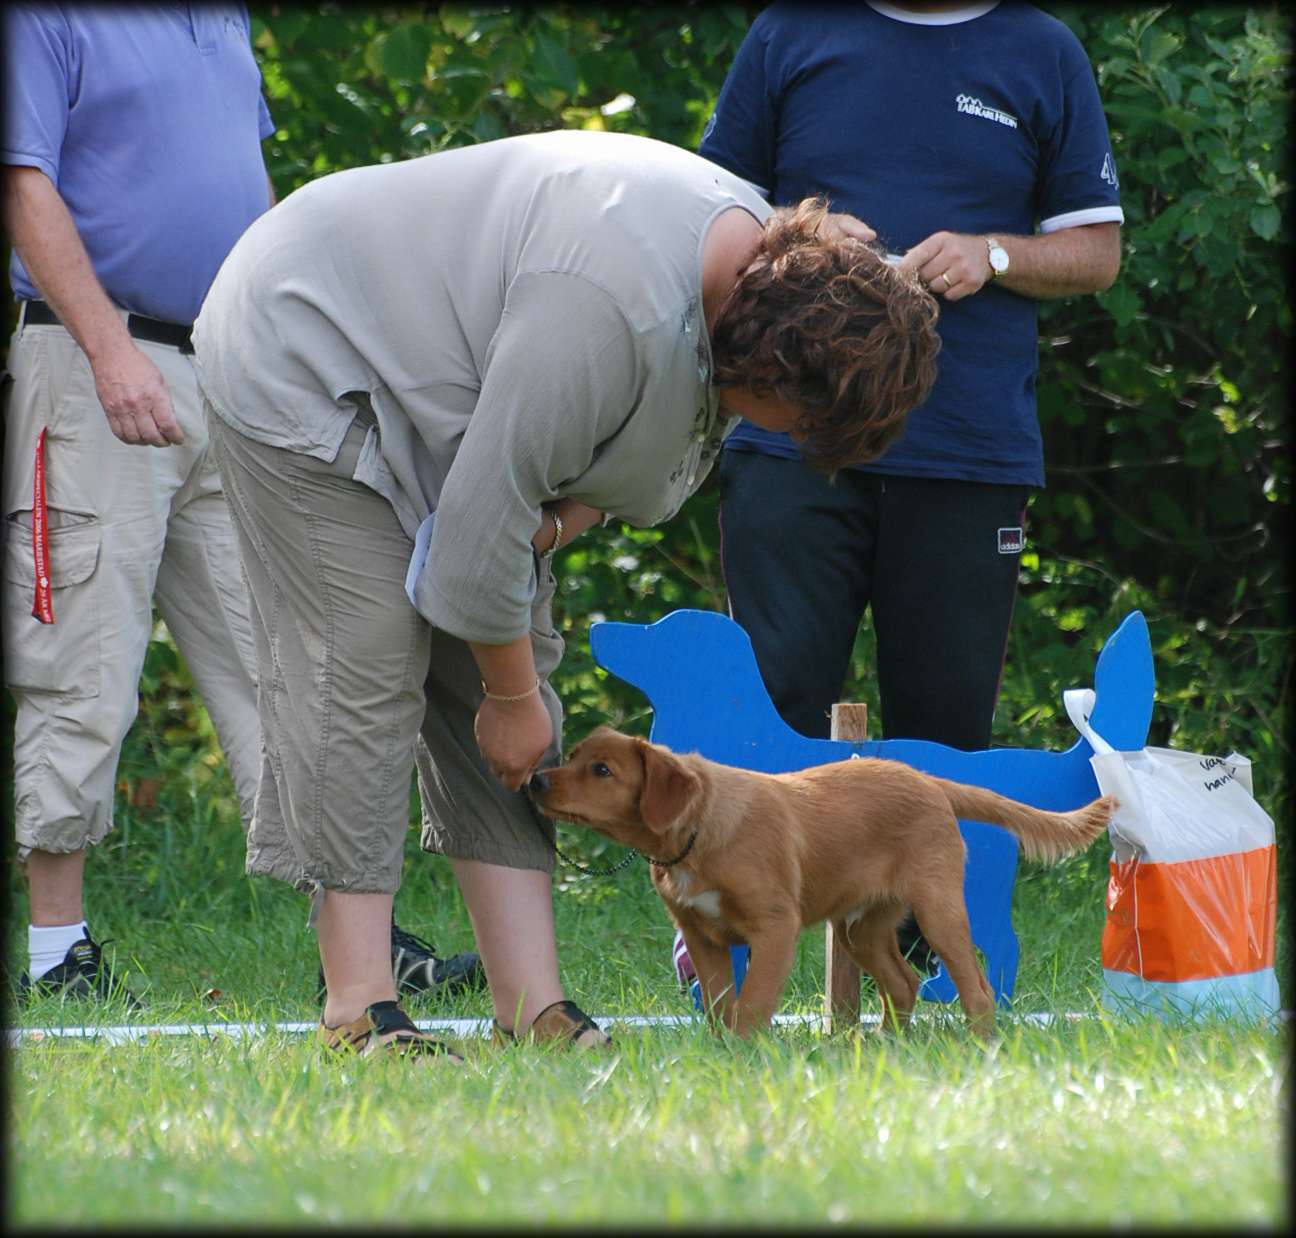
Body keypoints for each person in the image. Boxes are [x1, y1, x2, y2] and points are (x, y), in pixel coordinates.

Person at [191, 128, 942, 1059]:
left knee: (516, 675)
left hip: (444, 393)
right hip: (305, 347)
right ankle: (360, 1009)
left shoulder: (764, 285)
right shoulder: (607, 310)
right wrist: (507, 696)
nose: (790, 441)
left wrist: (521, 645)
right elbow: (474, 545)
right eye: (798, 422)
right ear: (773, 364)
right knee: (373, 652)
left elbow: (548, 500)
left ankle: (533, 1007)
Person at [2, 3, 482, 1010]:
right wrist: (107, 349)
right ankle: (58, 952)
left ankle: (353, 940)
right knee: (80, 658)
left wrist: (283, 341)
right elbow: (21, 179)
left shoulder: (220, 20)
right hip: (96, 363)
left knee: (292, 658)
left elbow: (246, 197)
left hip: (234, 372)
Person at [675, 0, 1123, 984]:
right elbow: (700, 201)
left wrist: (995, 253)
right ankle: (721, 939)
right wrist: (800, 230)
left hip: (967, 450)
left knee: (946, 721)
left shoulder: (1041, 49)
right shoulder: (791, 32)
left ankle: (920, 958)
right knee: (770, 699)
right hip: (789, 430)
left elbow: (1096, 249)